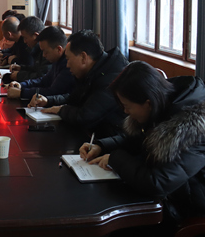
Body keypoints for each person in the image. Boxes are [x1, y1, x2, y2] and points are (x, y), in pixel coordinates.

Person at [80, 61, 205, 229]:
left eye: (127, 106)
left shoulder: (191, 128)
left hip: (187, 209)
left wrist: (114, 158)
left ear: (148, 103)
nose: (125, 111)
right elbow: (138, 139)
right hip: (169, 198)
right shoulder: (164, 105)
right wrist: (102, 146)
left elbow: (157, 183)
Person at [39, 29, 128, 138]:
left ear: (83, 57)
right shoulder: (95, 70)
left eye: (68, 59)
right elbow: (75, 97)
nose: (67, 65)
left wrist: (61, 109)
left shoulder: (111, 78)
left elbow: (85, 117)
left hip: (111, 140)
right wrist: (49, 101)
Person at [8, 26, 75, 101]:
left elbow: (52, 91)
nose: (43, 55)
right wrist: (22, 85)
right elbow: (44, 81)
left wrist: (22, 93)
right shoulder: (57, 59)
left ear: (58, 49)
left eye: (45, 52)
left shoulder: (68, 65)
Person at [8, 16, 49, 82]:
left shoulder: (47, 51)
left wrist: (19, 75)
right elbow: (36, 68)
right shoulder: (35, 49)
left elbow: (41, 76)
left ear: (36, 36)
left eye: (25, 38)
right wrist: (21, 68)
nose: (24, 41)